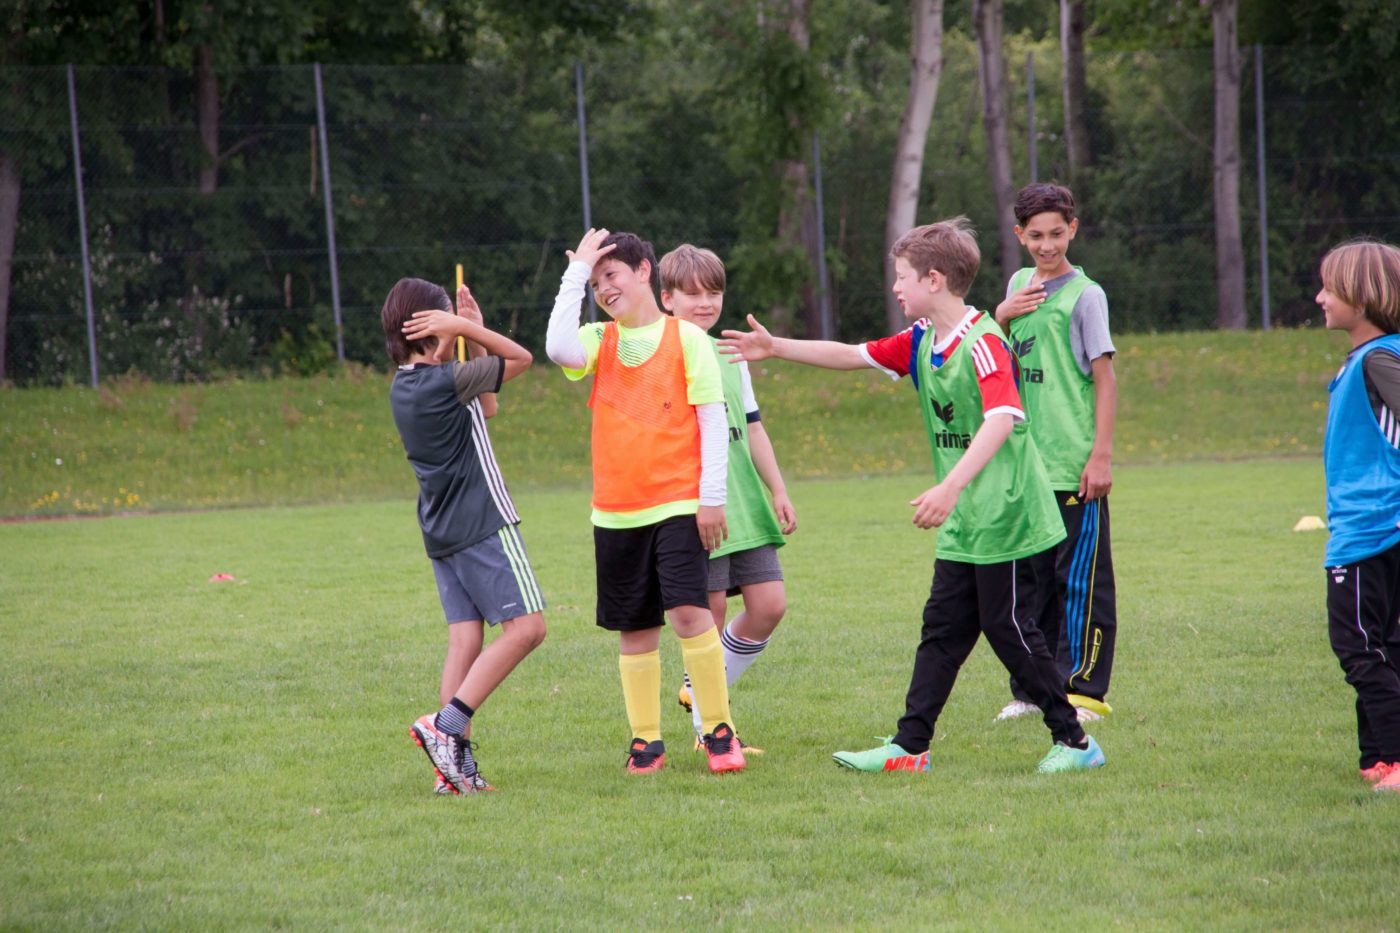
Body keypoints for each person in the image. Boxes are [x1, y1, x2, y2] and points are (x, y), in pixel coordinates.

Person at [719, 217, 1105, 774]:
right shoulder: (924, 339)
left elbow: (1003, 417)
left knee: (1011, 630)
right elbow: (854, 354)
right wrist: (775, 347)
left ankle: (1075, 743)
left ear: (934, 279)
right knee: (943, 630)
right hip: (967, 518)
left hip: (1008, 512)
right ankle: (909, 747)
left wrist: (950, 486)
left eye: (901, 278)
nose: (895, 288)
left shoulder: (984, 341)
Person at [544, 228, 745, 775]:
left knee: (688, 612)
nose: (604, 288)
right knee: (635, 629)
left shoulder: (687, 340)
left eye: (611, 275)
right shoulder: (596, 340)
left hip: (679, 504)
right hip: (615, 512)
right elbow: (556, 347)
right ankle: (646, 741)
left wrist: (711, 499)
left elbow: (709, 420)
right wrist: (574, 274)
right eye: (596, 282)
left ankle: (717, 731)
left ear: (643, 272)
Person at [382, 276, 547, 795]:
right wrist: (468, 328)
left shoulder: (408, 384)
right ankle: (445, 726)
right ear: (430, 326)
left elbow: (488, 405)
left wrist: (470, 330)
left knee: (466, 639)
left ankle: (452, 773)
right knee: (528, 629)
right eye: (444, 317)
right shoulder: (443, 381)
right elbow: (521, 359)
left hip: (442, 528)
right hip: (482, 522)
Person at [658, 244, 797, 748]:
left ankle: (698, 691)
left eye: (714, 292)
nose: (705, 302)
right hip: (698, 507)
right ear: (666, 298)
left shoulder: (729, 353)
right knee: (707, 618)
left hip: (744, 503)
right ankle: (711, 730)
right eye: (692, 294)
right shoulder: (661, 354)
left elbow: (753, 428)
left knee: (769, 605)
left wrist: (777, 489)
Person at [991, 182, 1119, 724]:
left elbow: (1105, 379)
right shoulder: (1020, 285)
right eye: (1036, 236)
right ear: (1020, 235)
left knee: (1080, 582)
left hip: (1072, 465)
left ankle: (1084, 690)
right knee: (1031, 583)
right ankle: (1033, 690)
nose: (1047, 245)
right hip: (1026, 466)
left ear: (1074, 228)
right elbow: (998, 356)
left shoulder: (1086, 296)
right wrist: (1000, 312)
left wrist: (1101, 456)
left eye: (1057, 234)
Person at [1315, 240, 1400, 793]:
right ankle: (1377, 760)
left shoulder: (1380, 358)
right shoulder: (1366, 359)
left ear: (1363, 298)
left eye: (1330, 288)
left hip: (1373, 531)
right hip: (1370, 528)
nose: (1320, 297)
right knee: (1383, 645)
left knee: (1359, 647)